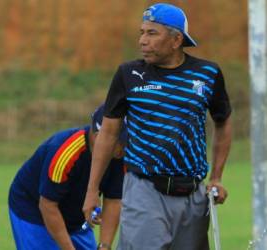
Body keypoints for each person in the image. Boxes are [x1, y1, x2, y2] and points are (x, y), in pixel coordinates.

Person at [83, 3, 232, 250]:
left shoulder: (208, 73)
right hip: (145, 190)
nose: (142, 40)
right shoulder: (128, 74)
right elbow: (108, 134)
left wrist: (216, 178)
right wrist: (92, 191)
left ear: (176, 40)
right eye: (141, 32)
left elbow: (223, 121)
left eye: (152, 33)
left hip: (194, 195)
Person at [8, 104, 127, 250]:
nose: (126, 147)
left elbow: (113, 200)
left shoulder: (119, 156)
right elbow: (47, 205)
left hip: (74, 217)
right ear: (99, 138)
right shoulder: (66, 153)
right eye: (121, 141)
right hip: (34, 210)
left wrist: (104, 246)